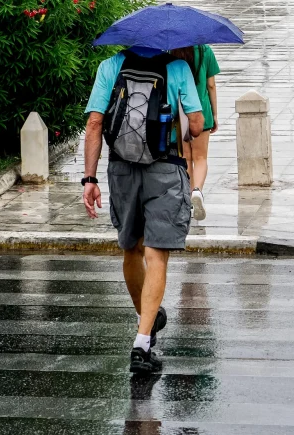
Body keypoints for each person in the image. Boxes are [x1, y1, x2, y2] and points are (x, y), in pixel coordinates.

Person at [81, 46, 204, 373]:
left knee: (132, 250)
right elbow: (196, 124)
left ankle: (146, 317)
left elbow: (95, 123)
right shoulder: (178, 67)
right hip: (165, 169)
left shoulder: (110, 65)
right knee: (156, 254)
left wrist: (89, 179)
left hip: (121, 170)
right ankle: (142, 341)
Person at [170, 45, 220, 221]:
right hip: (201, 112)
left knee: (186, 158)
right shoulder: (205, 51)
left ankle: (188, 198)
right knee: (201, 158)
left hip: (181, 112)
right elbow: (211, 85)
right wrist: (214, 114)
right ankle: (197, 191)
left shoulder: (171, 52)